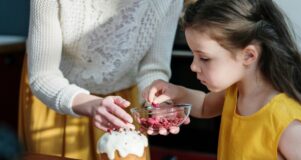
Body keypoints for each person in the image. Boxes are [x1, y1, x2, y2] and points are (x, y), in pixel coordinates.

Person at [143, 0, 301, 159]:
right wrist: (176, 92)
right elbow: (204, 105)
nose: (193, 66)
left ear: (248, 56)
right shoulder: (234, 93)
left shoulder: (290, 126)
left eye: (204, 58)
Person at [18, 0, 183, 159]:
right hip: (59, 99)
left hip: (121, 106)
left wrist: (158, 103)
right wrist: (90, 105)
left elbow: (153, 68)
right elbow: (43, 76)